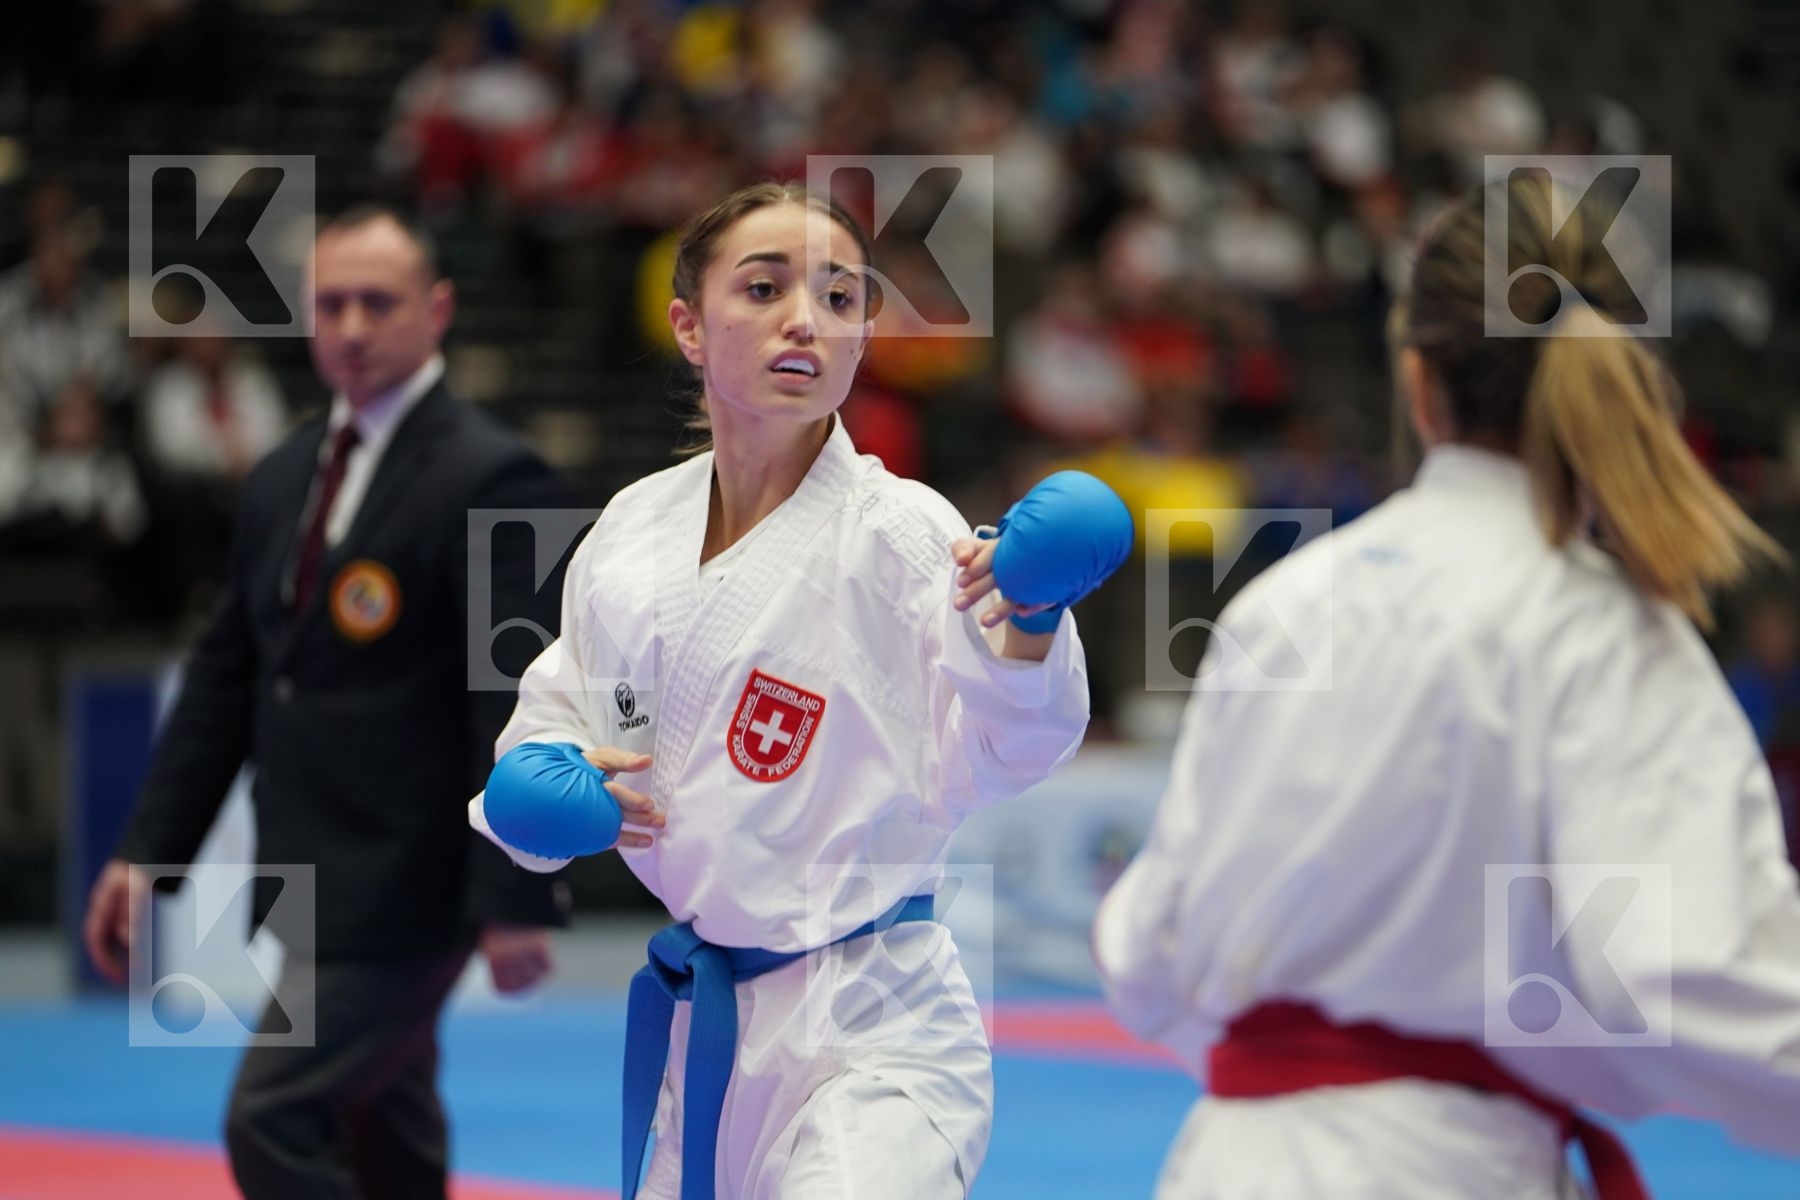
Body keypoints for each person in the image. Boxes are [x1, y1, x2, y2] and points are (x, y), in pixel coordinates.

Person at [1094, 171, 1800, 1199]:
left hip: (1229, 1161)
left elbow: (1150, 948)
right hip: (1448, 1169)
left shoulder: (1281, 604)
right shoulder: (1598, 628)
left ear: (1419, 384)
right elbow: (1683, 971)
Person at [469, 181, 1130, 1199]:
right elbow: (554, 725)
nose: (804, 321)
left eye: (839, 297)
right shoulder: (631, 532)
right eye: (765, 287)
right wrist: (535, 794)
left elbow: (1005, 755)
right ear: (689, 327)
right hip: (712, 1040)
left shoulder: (903, 533)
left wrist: (1031, 625)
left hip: (874, 1028)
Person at [82, 205, 573, 1199]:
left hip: (414, 883)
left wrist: (521, 895)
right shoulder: (281, 476)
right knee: (380, 1126)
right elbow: (231, 680)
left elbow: (516, 702)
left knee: (274, 1115)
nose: (351, 326)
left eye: (377, 303)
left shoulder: (495, 474)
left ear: (436, 311)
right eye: (331, 303)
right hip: (305, 873)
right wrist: (148, 851)